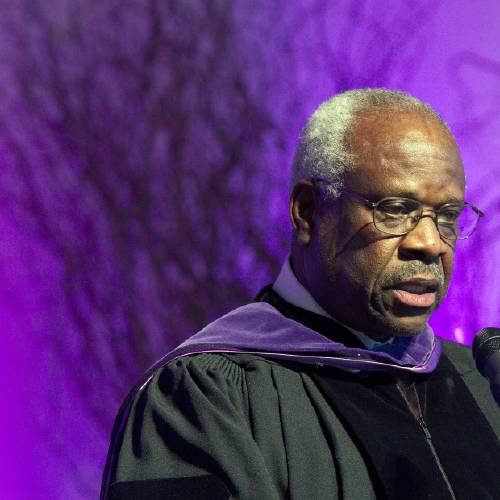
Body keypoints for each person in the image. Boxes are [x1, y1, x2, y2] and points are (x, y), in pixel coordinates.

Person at [101, 89, 500, 500]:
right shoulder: (205, 397)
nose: (431, 243)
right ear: (308, 211)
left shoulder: (483, 383)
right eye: (395, 210)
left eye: (447, 216)